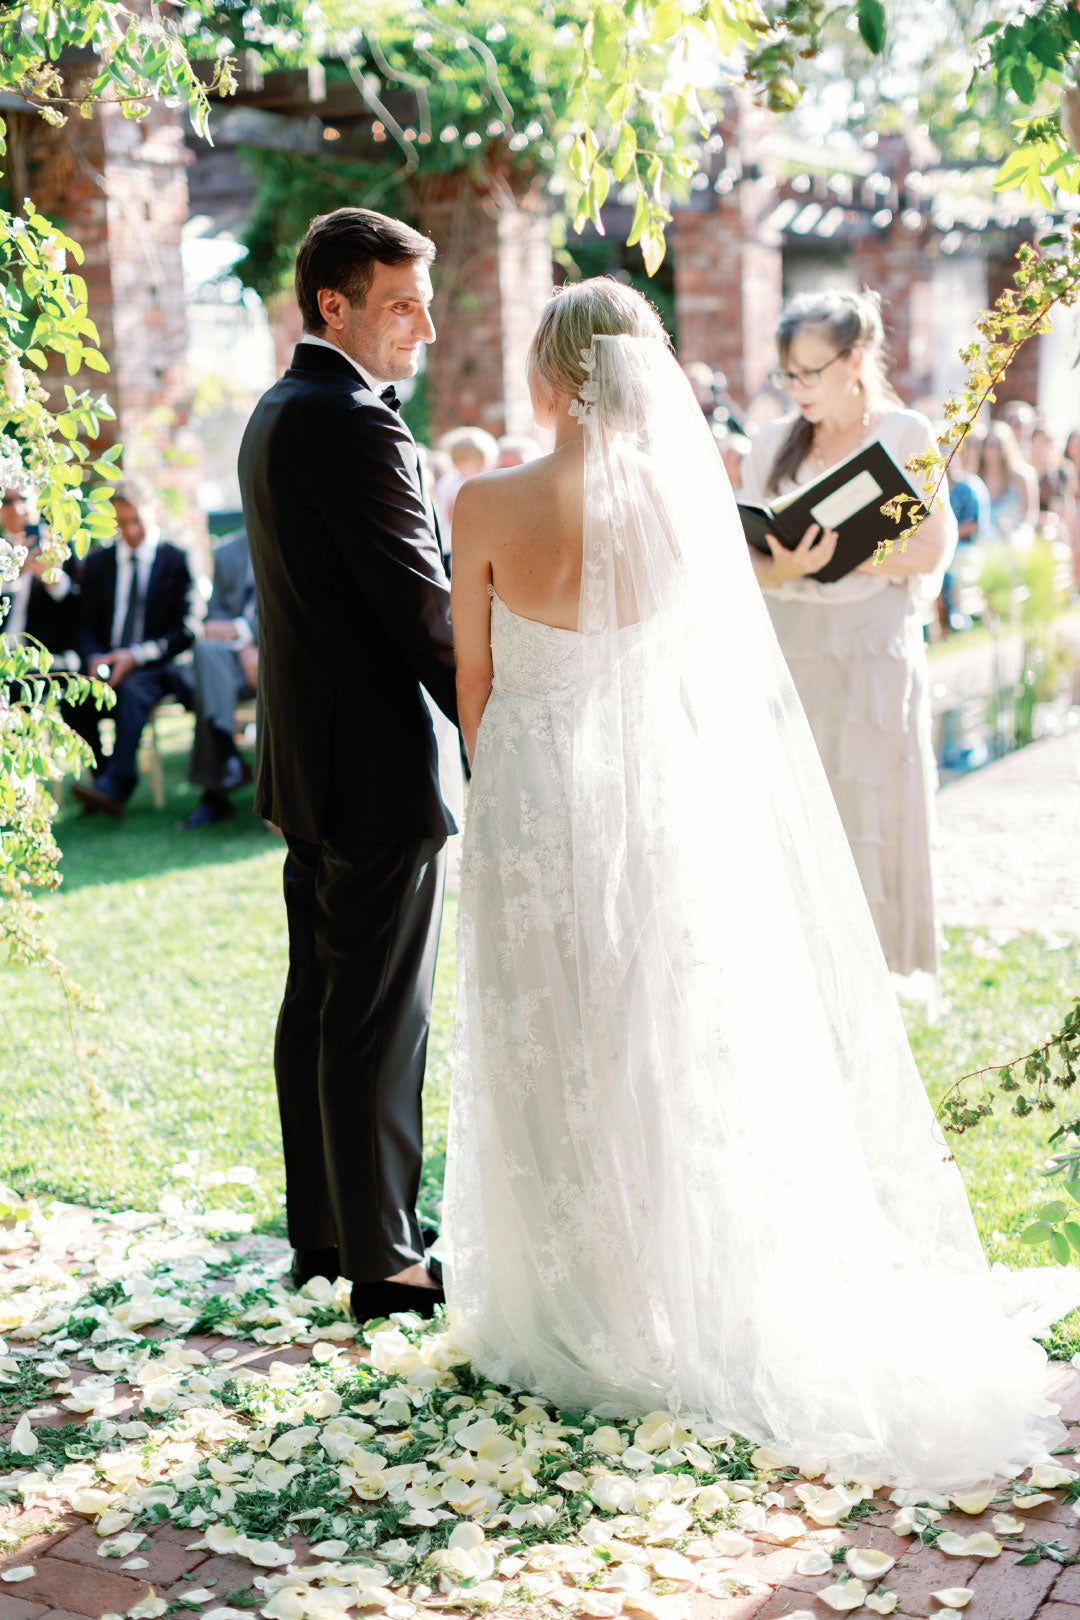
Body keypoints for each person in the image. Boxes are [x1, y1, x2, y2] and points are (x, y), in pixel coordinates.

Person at [443, 275, 1080, 1491]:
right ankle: (677, 1293)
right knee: (661, 1035)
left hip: (529, 794)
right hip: (653, 793)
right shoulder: (680, 515)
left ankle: (569, 1299)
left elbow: (474, 682)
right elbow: (705, 684)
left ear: (546, 372)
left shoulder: (484, 500)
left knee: (545, 1035)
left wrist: (509, 781)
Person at [238, 206, 461, 1323]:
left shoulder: (280, 410)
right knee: (378, 1018)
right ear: (335, 302)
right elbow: (424, 612)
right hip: (374, 777)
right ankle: (386, 1260)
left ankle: (327, 1239)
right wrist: (504, 718)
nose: (427, 324)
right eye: (403, 303)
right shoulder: (357, 425)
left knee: (323, 1009)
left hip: (310, 772)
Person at [738, 289, 955, 990]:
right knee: (796, 809)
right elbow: (742, 564)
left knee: (868, 806)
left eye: (810, 372)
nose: (796, 389)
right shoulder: (770, 443)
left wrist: (843, 556)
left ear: (855, 360)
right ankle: (798, 975)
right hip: (790, 649)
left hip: (870, 650)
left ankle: (864, 979)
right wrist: (789, 567)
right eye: (787, 375)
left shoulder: (907, 436)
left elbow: (930, 553)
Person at [71, 478, 197, 817]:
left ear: (152, 512)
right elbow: (84, 624)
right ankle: (102, 779)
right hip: (106, 663)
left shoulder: (176, 558)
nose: (131, 530)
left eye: (137, 519)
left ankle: (118, 783)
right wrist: (95, 657)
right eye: (122, 522)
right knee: (74, 695)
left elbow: (187, 629)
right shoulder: (98, 564)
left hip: (156, 667)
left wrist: (136, 656)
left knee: (132, 689)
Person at [180, 528, 257, 828]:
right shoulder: (227, 552)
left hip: (280, 650)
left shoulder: (299, 540)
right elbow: (213, 620)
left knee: (208, 680)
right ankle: (228, 754)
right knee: (206, 652)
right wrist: (243, 645)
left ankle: (217, 789)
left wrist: (249, 636)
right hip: (234, 659)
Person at [975, 421, 1039, 544]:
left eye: (998, 444)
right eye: (988, 444)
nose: (993, 450)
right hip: (985, 541)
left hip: (1016, 539)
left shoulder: (1022, 476)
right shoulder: (977, 478)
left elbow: (1030, 517)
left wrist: (1012, 528)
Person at [433, 426, 499, 543]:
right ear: (458, 463)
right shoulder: (453, 485)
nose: (483, 468)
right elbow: (455, 516)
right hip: (457, 542)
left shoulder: (479, 482)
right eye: (478, 463)